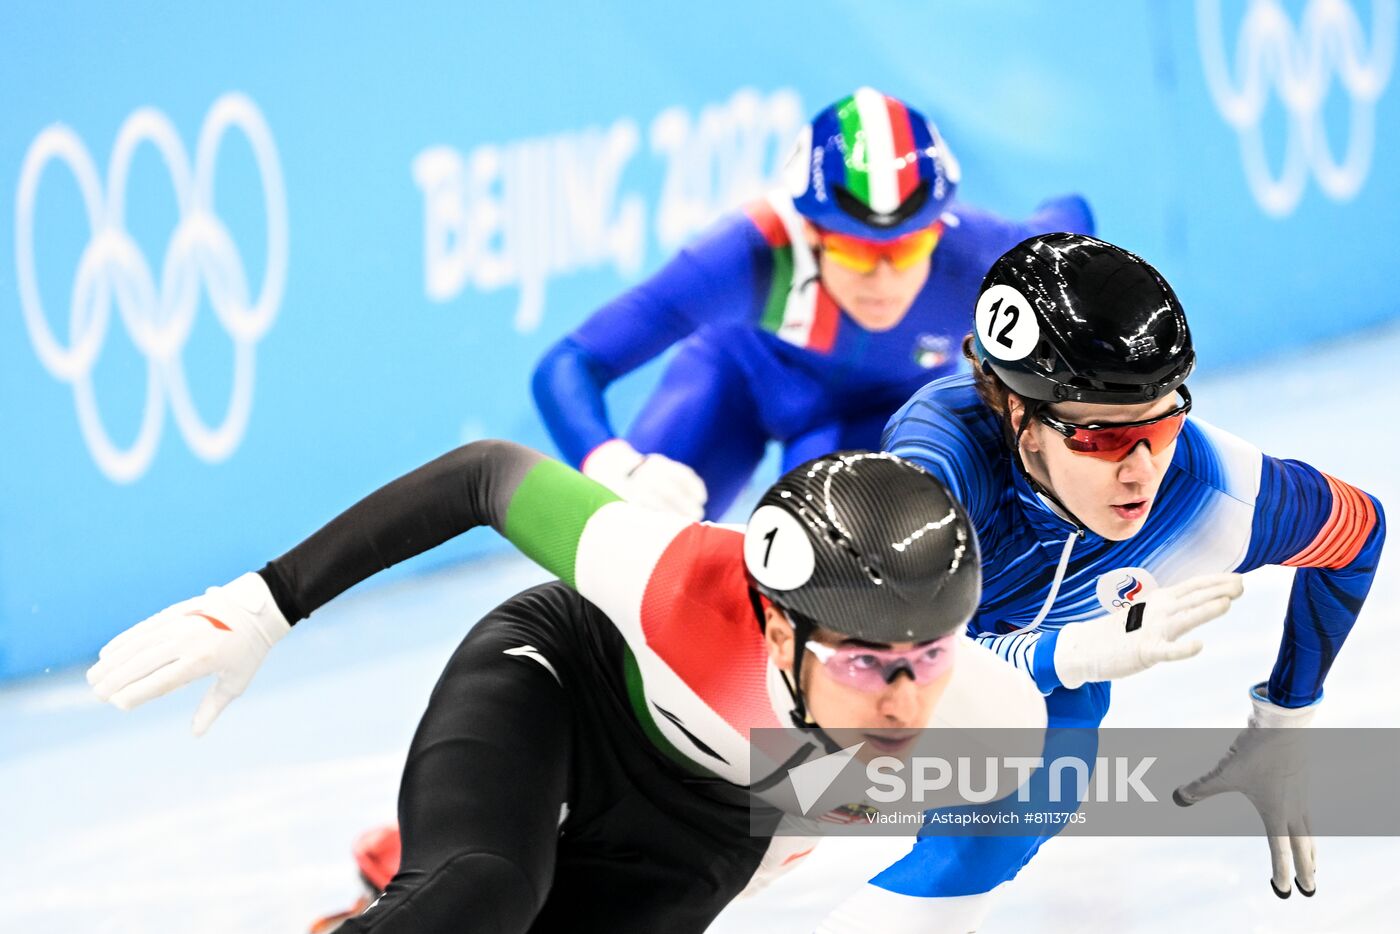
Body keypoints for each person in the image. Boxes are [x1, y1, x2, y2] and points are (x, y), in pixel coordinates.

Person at [89, 445, 1090, 932]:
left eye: (930, 657)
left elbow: (842, 811)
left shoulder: (984, 724)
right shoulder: (671, 583)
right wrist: (264, 603)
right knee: (483, 890)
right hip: (564, 684)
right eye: (867, 663)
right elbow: (483, 475)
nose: (904, 701)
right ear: (777, 623)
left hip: (712, 810)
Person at [815, 232, 1385, 931]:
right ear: (1016, 415)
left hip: (1044, 681)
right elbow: (890, 659)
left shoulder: (1209, 490)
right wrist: (1072, 654)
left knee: (1006, 825)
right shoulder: (939, 461)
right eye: (1103, 437)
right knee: (776, 797)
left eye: (1165, 421)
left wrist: (1285, 721)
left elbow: (1358, 532)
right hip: (867, 658)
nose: (1142, 469)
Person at [534, 87, 1094, 521]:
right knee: (630, 531)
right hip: (737, 383)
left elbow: (1071, 215)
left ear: (937, 229)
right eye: (854, 250)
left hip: (874, 408)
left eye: (907, 248)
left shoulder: (984, 258)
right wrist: (612, 464)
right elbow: (569, 364)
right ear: (810, 231)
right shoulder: (747, 253)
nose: (882, 277)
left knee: (839, 564)